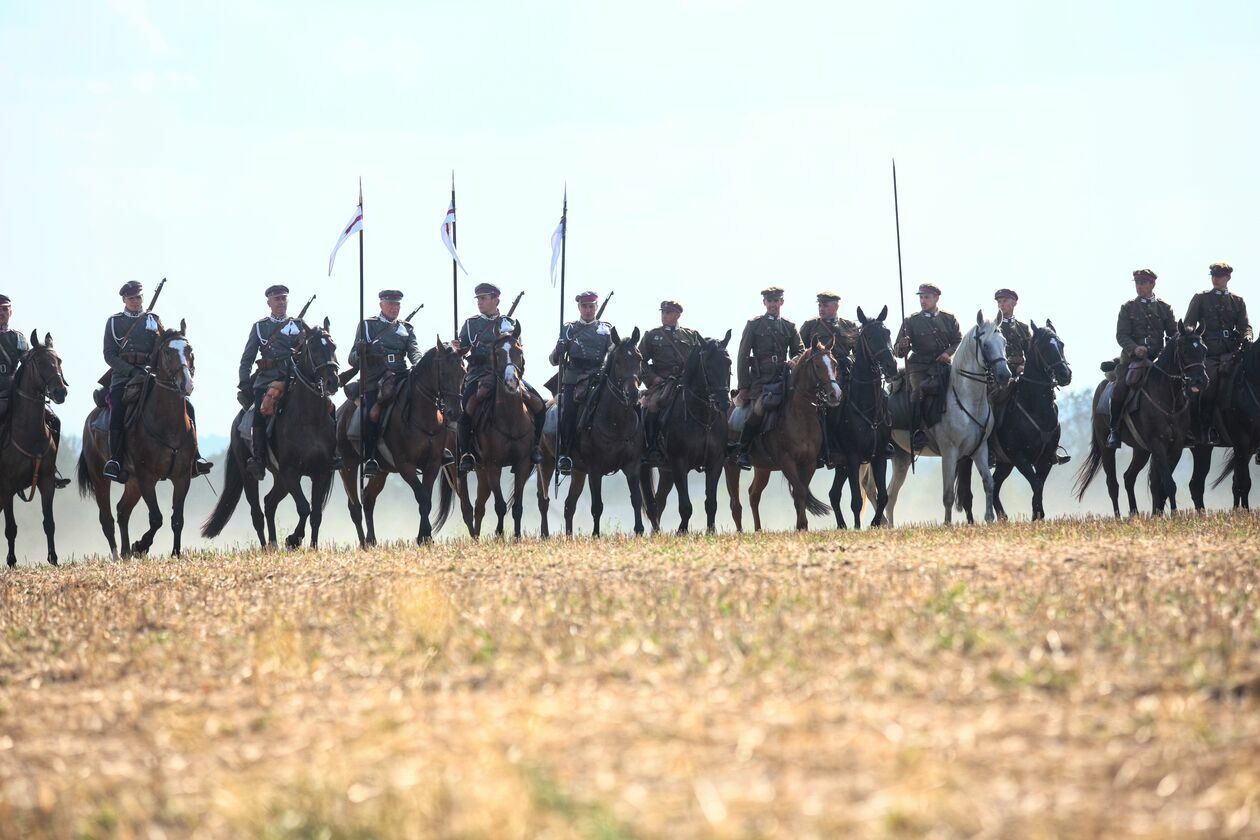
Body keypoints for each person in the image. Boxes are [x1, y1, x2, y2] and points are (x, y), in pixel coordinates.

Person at [102, 281, 213, 483]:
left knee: (187, 406)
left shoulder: (154, 320)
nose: (135, 301)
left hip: (149, 376)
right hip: (123, 376)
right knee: (117, 407)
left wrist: (154, 367)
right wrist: (130, 370)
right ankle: (115, 459)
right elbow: (109, 355)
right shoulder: (114, 322)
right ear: (124, 300)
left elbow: (163, 350)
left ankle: (194, 458)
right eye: (131, 298)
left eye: (138, 297)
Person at [456, 282, 544, 473]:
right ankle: (467, 453)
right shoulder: (470, 324)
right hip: (479, 374)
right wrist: (457, 348)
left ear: (496, 300)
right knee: (467, 409)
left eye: (484, 298)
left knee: (538, 404)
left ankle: (534, 447)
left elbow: (518, 352)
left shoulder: (509, 323)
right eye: (478, 299)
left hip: (508, 374)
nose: (480, 302)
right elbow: (461, 351)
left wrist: (517, 373)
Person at [347, 289, 421, 477]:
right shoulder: (367, 325)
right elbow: (352, 359)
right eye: (390, 304)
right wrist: (363, 352)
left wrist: (420, 364)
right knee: (372, 413)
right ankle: (371, 457)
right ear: (381, 305)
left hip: (401, 375)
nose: (394, 307)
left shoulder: (407, 328)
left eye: (397, 304)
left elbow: (414, 351)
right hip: (375, 378)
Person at [0, 295, 70, 488]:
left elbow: (28, 363)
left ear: (10, 312)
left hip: (17, 389)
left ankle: (50, 469)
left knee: (53, 420)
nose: (2, 313)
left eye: (5, 309)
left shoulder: (19, 337)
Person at [1106, 269, 1177, 448]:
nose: (1139, 286)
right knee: (1120, 387)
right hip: (1132, 360)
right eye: (1137, 283)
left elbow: (1173, 333)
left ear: (1152, 284)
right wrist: (1134, 348)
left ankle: (1186, 427)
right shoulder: (1128, 308)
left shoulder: (1164, 308)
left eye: (1143, 283)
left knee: (1180, 385)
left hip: (1158, 359)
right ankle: (1114, 430)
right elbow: (1121, 335)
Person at [734, 286, 803, 469]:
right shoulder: (754, 325)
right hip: (760, 381)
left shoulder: (789, 326)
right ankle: (744, 450)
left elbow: (800, 351)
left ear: (782, 302)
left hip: (783, 379)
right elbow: (742, 355)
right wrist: (744, 386)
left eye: (776, 300)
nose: (773, 304)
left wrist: (794, 360)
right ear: (764, 303)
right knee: (758, 410)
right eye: (769, 301)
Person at [549, 290, 616, 476]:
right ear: (579, 308)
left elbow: (613, 350)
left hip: (597, 376)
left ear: (596, 307)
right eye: (584, 306)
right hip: (574, 377)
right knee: (569, 411)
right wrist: (560, 350)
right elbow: (553, 360)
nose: (588, 310)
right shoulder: (569, 328)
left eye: (591, 306)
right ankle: (565, 453)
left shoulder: (606, 328)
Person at [1183, 262, 1250, 444]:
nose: (1215, 279)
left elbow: (1245, 326)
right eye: (1213, 275)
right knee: (1208, 385)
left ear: (1228, 277)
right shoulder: (1201, 298)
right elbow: (1189, 322)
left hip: (1233, 353)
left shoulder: (1238, 301)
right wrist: (1190, 332)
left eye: (1219, 276)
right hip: (1209, 354)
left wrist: (1247, 337)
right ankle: (1207, 427)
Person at [893, 283, 961, 450]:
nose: (923, 301)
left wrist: (948, 353)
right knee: (918, 391)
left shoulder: (948, 318)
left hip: (942, 365)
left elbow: (958, 340)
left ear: (936, 298)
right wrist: (902, 345)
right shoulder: (911, 321)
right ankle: (917, 432)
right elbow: (898, 353)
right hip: (919, 366)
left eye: (926, 297)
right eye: (921, 297)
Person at [798, 291, 857, 466]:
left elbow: (859, 353)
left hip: (846, 374)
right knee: (825, 409)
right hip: (819, 377)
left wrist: (848, 360)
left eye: (826, 305)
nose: (822, 308)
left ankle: (882, 440)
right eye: (820, 305)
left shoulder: (848, 325)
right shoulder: (810, 326)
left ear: (836, 306)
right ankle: (826, 448)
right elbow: (799, 351)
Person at [639, 300, 701, 466]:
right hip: (663, 382)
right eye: (663, 312)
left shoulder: (691, 335)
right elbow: (640, 361)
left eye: (668, 313)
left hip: (686, 382)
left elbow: (700, 361)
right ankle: (651, 446)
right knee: (652, 406)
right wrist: (652, 378)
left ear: (678, 315)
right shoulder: (651, 336)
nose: (664, 316)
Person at [994, 289, 1032, 375]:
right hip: (997, 374)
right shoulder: (992, 327)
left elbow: (1031, 354)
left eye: (1005, 301)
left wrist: (1023, 365)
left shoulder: (1023, 328)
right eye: (999, 302)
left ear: (1014, 303)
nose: (1001, 305)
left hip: (1020, 374)